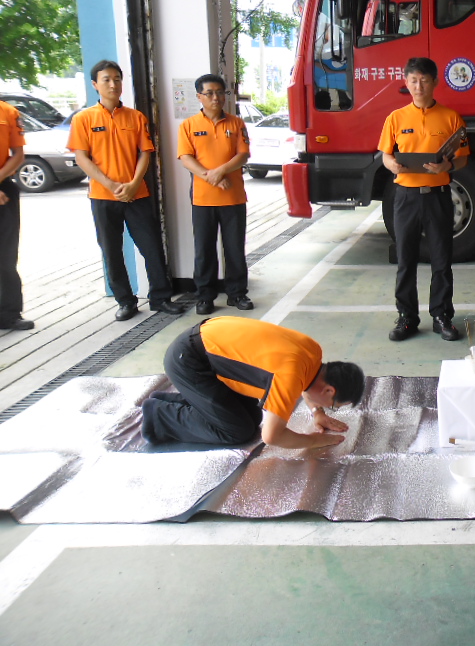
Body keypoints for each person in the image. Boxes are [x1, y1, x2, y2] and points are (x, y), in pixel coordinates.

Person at [68, 60, 186, 321]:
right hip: (102, 196)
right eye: (107, 79)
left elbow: (145, 153)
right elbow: (82, 157)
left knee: (152, 246)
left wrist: (133, 184)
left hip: (137, 195)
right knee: (111, 251)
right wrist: (110, 185)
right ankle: (125, 301)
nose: (113, 84)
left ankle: (161, 298)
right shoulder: (83, 119)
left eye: (117, 79)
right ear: (95, 84)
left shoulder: (136, 117)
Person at [141, 316, 365, 448]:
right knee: (235, 431)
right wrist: (315, 441)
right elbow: (272, 437)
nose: (330, 408)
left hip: (207, 345)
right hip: (189, 360)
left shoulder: (313, 352)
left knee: (251, 418)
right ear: (329, 390)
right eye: (333, 406)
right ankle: (158, 416)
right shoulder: (289, 377)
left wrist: (317, 412)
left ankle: (176, 401)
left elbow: (309, 382)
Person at [378, 57, 469, 342]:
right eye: (413, 80)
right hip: (406, 198)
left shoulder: (451, 117)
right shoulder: (395, 118)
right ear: (406, 83)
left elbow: (463, 158)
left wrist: (448, 166)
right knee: (406, 260)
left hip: (438, 198)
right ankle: (407, 318)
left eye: (424, 80)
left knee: (441, 260)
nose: (419, 86)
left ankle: (442, 316)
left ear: (435, 82)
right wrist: (392, 165)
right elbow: (385, 155)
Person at [178, 74, 253, 315]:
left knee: (235, 249)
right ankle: (205, 296)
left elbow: (243, 155)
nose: (215, 98)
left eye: (220, 92)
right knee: (204, 250)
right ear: (199, 96)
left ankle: (237, 293)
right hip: (202, 199)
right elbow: (186, 158)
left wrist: (219, 172)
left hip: (233, 198)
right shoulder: (188, 125)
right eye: (209, 93)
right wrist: (210, 176)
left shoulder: (236, 123)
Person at [0, 99, 32, 331]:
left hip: (4, 187)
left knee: (6, 255)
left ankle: (9, 313)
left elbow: (18, 154)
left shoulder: (8, 112)